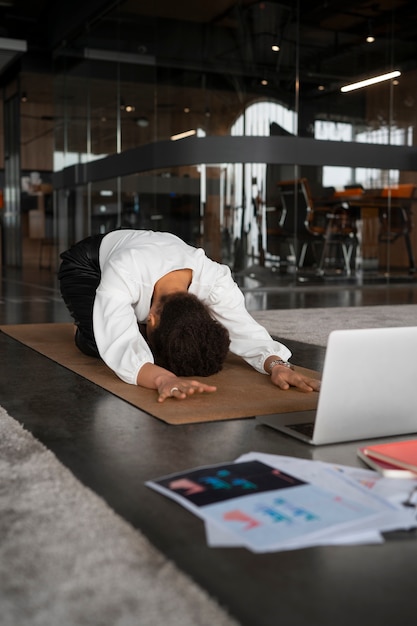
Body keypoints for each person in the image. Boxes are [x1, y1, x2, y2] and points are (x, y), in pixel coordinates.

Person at [58, 229, 320, 402]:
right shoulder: (126, 271)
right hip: (87, 264)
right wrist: (163, 377)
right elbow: (119, 344)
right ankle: (85, 323)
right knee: (97, 343)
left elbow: (245, 329)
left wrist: (277, 364)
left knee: (175, 343)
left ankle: (112, 316)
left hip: (145, 262)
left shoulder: (216, 280)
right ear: (151, 319)